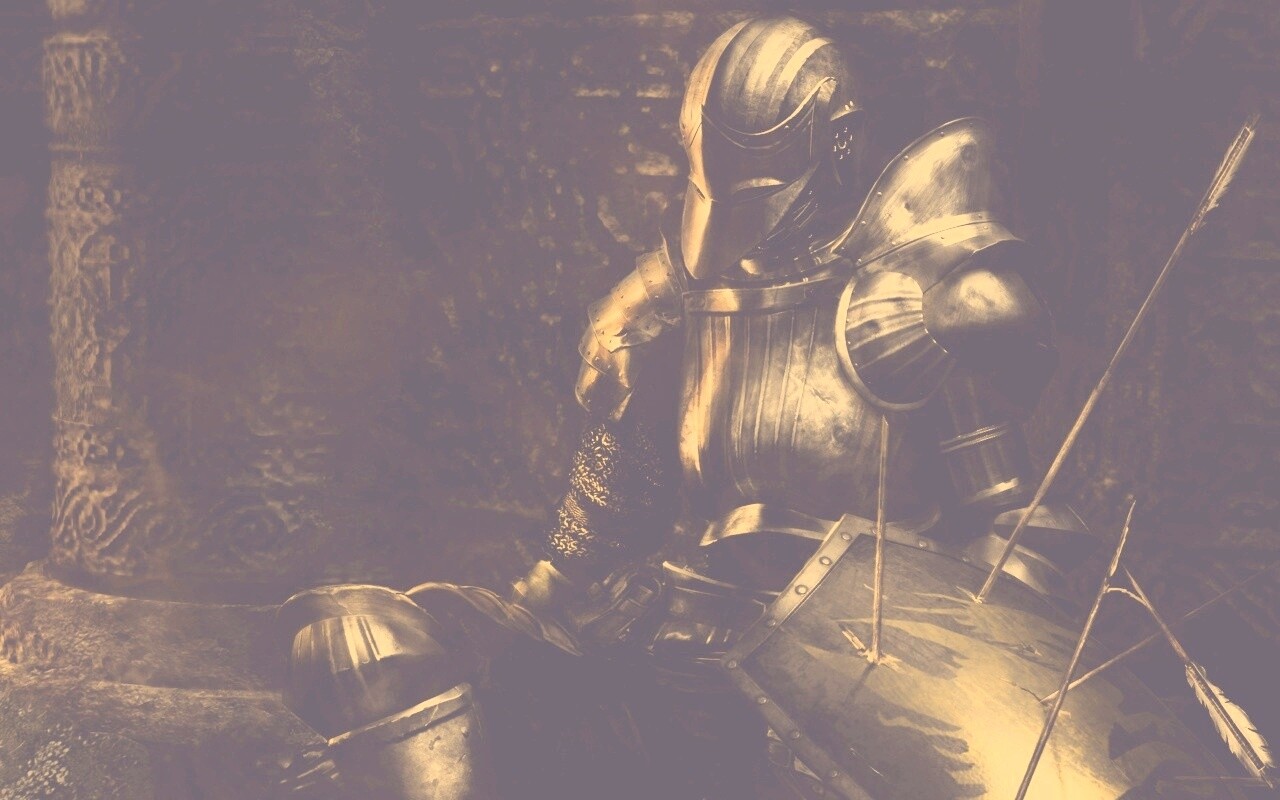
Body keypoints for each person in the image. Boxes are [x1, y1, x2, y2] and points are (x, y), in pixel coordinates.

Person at [278, 15, 1096, 799]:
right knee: (362, 648)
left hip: (859, 693)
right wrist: (520, 615)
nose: (734, 219)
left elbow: (1018, 529)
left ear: (836, 145)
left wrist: (937, 681)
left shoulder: (920, 303)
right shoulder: (672, 302)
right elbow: (604, 517)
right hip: (680, 656)